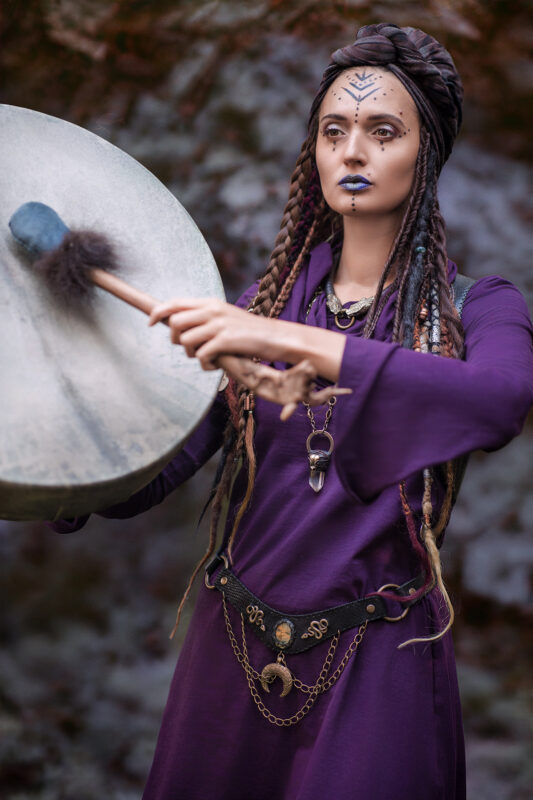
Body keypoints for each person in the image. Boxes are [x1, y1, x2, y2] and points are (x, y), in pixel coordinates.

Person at [50, 23, 533, 800]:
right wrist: (55, 432)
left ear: (426, 155)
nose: (353, 151)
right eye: (333, 130)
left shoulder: (478, 307)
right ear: (312, 149)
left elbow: (499, 401)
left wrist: (285, 339)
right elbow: (155, 468)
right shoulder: (265, 302)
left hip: (379, 665)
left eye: (383, 132)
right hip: (228, 651)